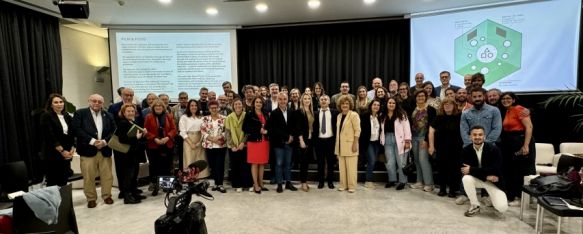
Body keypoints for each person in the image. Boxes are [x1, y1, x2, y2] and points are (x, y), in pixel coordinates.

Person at [72, 94, 116, 208]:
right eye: (94, 101)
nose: (97, 103)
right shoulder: (80, 113)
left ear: (102, 103)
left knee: (107, 176)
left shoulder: (108, 115)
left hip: (105, 150)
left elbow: (113, 130)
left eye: (99, 102)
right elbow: (77, 130)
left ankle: (107, 196)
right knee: (88, 176)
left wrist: (104, 142)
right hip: (87, 151)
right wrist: (93, 141)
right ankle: (91, 198)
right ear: (89, 101)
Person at [461, 125, 507, 217]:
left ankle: (491, 198)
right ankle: (475, 205)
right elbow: (464, 170)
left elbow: (495, 168)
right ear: (470, 136)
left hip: (493, 181)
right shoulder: (466, 150)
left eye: (480, 134)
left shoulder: (493, 149)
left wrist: (472, 170)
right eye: (474, 135)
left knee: (502, 208)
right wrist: (485, 175)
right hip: (484, 178)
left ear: (484, 136)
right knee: (466, 178)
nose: (477, 137)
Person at [499, 92, 535, 206]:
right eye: (503, 99)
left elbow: (529, 127)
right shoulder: (507, 111)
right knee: (512, 170)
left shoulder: (519, 109)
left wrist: (526, 145)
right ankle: (512, 196)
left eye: (508, 98)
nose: (505, 100)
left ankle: (521, 198)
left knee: (521, 170)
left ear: (514, 100)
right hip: (511, 142)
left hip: (521, 140)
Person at [428, 97, 463, 197]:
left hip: (456, 148)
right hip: (441, 148)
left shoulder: (459, 116)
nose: (447, 106)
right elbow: (431, 131)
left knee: (454, 170)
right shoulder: (439, 117)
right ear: (442, 106)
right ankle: (442, 189)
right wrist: (431, 146)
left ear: (454, 106)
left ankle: (452, 190)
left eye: (450, 104)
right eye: (445, 104)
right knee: (442, 169)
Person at [114, 103, 147, 204]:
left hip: (132, 153)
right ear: (123, 112)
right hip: (125, 155)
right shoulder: (122, 123)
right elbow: (122, 139)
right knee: (128, 175)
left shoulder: (131, 122)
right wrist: (136, 137)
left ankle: (133, 192)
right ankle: (127, 196)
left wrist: (142, 134)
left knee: (133, 174)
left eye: (132, 111)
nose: (131, 113)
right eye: (128, 111)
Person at [144, 99, 177, 196]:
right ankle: (156, 187)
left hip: (167, 144)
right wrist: (154, 138)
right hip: (154, 145)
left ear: (163, 107)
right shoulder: (149, 117)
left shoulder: (168, 116)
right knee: (155, 167)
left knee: (166, 166)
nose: (158, 107)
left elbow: (174, 129)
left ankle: (167, 187)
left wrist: (168, 137)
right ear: (153, 107)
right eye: (156, 106)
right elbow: (145, 131)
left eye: (160, 106)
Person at [40, 93, 74, 187]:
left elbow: (72, 134)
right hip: (53, 154)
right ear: (51, 105)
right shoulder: (46, 116)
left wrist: (72, 148)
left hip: (66, 153)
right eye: (56, 102)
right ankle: (53, 201)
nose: (59, 104)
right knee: (53, 182)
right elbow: (49, 135)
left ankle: (63, 201)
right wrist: (62, 151)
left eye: (61, 102)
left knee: (63, 180)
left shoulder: (67, 116)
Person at [268, 93, 298, 193]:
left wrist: (292, 136)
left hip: (290, 143)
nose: (282, 101)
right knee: (279, 163)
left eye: (284, 99)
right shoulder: (274, 113)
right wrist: (287, 137)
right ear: (278, 100)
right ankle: (280, 184)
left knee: (288, 164)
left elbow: (294, 126)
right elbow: (274, 129)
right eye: (280, 99)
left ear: (287, 100)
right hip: (279, 143)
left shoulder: (291, 112)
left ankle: (288, 183)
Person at [409, 90, 436, 192]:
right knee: (416, 160)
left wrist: (426, 140)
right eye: (418, 96)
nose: (420, 97)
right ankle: (419, 182)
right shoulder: (413, 109)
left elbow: (432, 126)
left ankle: (429, 184)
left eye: (422, 96)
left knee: (423, 160)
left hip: (424, 138)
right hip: (414, 138)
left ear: (425, 97)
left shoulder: (430, 109)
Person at [382, 97, 411, 190]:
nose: (391, 104)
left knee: (401, 162)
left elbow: (407, 128)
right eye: (389, 103)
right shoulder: (383, 115)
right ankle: (392, 180)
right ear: (387, 104)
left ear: (396, 104)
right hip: (387, 139)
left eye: (393, 103)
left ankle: (402, 181)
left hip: (400, 140)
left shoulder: (402, 114)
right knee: (390, 162)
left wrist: (407, 141)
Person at [243, 96, 270, 194]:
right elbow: (245, 128)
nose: (258, 104)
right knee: (254, 163)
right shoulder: (249, 114)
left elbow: (269, 126)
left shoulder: (266, 114)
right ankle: (256, 184)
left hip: (264, 141)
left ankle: (261, 183)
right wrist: (258, 130)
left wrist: (267, 131)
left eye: (260, 102)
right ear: (254, 103)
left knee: (262, 163)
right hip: (254, 142)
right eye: (257, 102)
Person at [334, 95, 361, 193]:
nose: (345, 105)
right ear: (340, 105)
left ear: (350, 105)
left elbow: (358, 130)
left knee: (351, 168)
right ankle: (343, 185)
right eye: (343, 103)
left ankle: (352, 186)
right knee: (342, 168)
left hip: (351, 145)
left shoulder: (354, 115)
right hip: (340, 146)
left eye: (347, 103)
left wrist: (355, 143)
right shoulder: (339, 116)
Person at [225, 99, 252, 192]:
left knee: (246, 166)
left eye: (239, 104)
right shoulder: (228, 117)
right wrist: (232, 145)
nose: (238, 105)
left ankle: (247, 184)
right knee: (235, 166)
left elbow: (248, 132)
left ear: (242, 105)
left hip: (244, 145)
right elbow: (227, 133)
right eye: (235, 104)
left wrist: (243, 143)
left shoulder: (247, 116)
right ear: (233, 106)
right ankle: (237, 185)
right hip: (233, 147)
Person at [201, 100, 228, 193]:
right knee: (212, 165)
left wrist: (219, 138)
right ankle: (215, 184)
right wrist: (213, 139)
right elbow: (203, 131)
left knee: (220, 165)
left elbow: (226, 131)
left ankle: (220, 184)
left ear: (219, 108)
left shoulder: (224, 118)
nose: (214, 109)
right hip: (210, 145)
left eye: (216, 107)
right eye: (212, 108)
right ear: (209, 109)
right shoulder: (205, 119)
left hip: (221, 145)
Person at [313, 95, 339, 189]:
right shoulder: (315, 113)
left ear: (329, 101)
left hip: (330, 141)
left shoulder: (335, 112)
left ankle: (330, 182)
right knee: (320, 163)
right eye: (322, 99)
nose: (323, 101)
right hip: (319, 141)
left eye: (325, 99)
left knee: (331, 162)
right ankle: (321, 182)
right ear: (319, 102)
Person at [179, 99, 210, 178]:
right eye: (192, 105)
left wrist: (200, 141)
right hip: (188, 140)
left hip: (199, 139)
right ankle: (190, 177)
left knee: (200, 159)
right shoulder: (184, 117)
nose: (194, 107)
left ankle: (200, 177)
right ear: (188, 107)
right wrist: (191, 143)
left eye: (195, 105)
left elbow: (204, 130)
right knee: (189, 159)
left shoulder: (201, 117)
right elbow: (182, 132)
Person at [359, 99, 383, 189]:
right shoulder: (364, 116)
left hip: (376, 142)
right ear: (371, 106)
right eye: (374, 105)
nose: (376, 106)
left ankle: (370, 179)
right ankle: (368, 181)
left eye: (378, 105)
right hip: (367, 142)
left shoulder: (380, 117)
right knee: (371, 160)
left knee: (372, 161)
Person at [295, 93, 315, 192]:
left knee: (306, 162)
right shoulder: (299, 111)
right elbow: (298, 127)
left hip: (310, 139)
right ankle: (303, 183)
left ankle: (305, 181)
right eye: (305, 99)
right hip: (303, 140)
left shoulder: (311, 111)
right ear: (302, 100)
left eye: (308, 98)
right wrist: (301, 140)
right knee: (303, 162)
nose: (307, 100)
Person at [172, 91, 189, 170]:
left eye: (185, 98)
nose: (183, 100)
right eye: (181, 98)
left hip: (189, 135)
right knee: (179, 154)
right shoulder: (174, 109)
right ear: (178, 99)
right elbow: (172, 122)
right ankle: (180, 171)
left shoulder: (191, 107)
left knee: (187, 154)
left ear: (187, 99)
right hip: (178, 135)